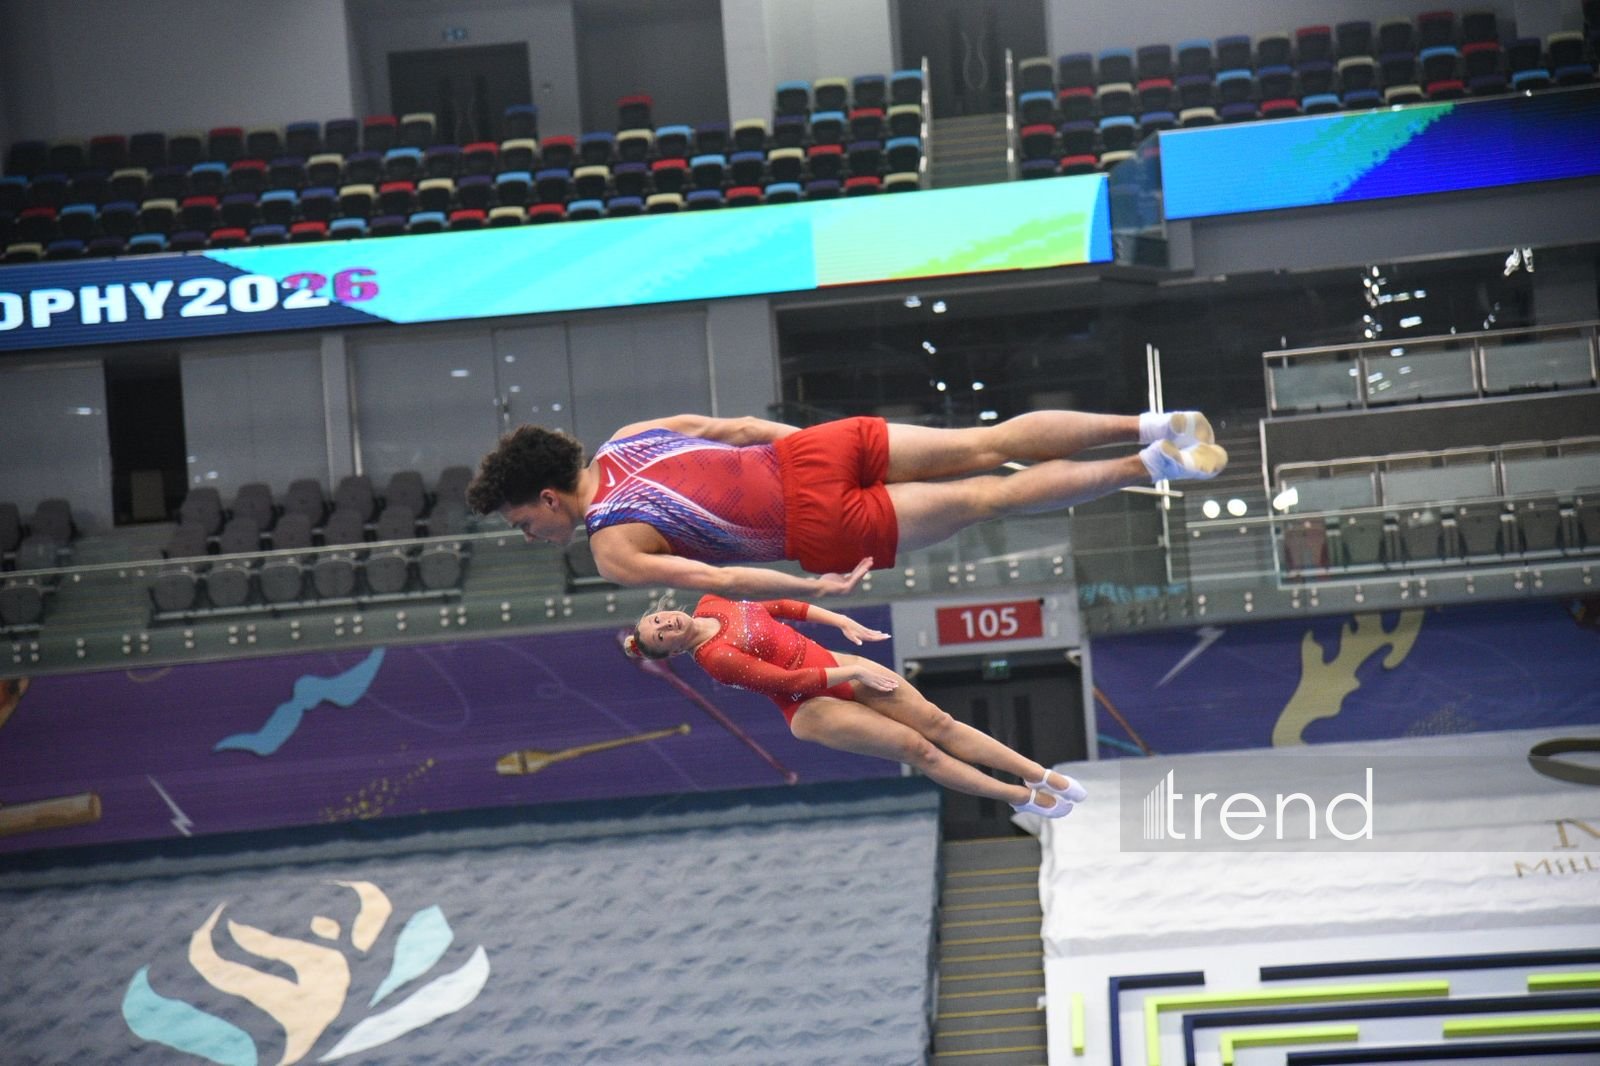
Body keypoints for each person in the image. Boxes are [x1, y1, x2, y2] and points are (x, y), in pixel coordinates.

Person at [467, 409, 1225, 598]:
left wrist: (809, 586)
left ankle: (1153, 464)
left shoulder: (610, 547)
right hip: (807, 453)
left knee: (989, 496)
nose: (531, 536)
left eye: (524, 522)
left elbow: (723, 583)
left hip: (815, 526)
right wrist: (814, 449)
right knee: (986, 443)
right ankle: (1158, 424)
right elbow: (733, 429)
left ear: (545, 496)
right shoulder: (630, 436)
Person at [624, 595, 1089, 818]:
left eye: (657, 619)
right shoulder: (716, 659)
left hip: (835, 663)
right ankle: (1023, 799)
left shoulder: (711, 602)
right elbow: (789, 680)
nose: (665, 625)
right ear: (673, 650)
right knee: (919, 748)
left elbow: (779, 607)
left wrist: (839, 619)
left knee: (937, 721)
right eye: (660, 636)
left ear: (661, 609)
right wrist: (852, 673)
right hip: (810, 706)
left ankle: (1039, 773)